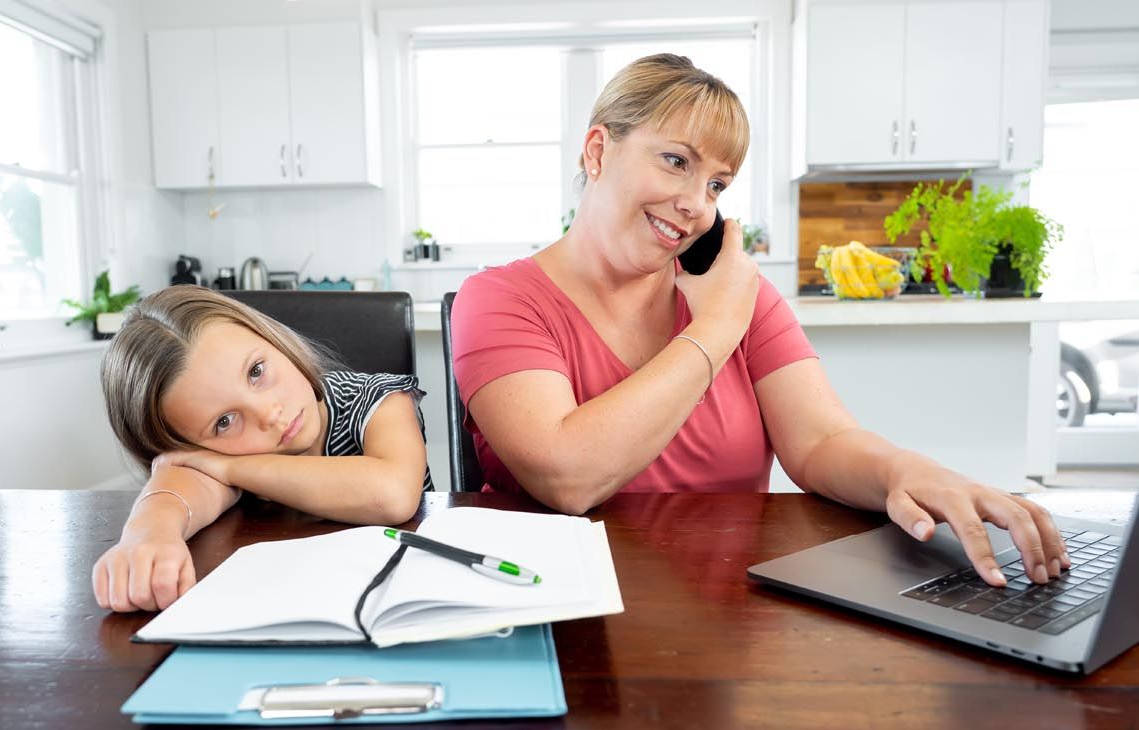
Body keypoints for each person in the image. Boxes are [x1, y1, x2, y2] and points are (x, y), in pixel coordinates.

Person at [451, 54, 1069, 589]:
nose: (696, 204)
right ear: (597, 151)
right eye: (675, 161)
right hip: (558, 607)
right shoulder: (499, 299)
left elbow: (821, 442)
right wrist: (716, 325)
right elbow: (569, 476)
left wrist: (907, 471)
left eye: (717, 184)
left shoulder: (742, 297)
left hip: (727, 609)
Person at [92, 285, 433, 612]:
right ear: (190, 446)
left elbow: (392, 494)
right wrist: (150, 533)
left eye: (256, 371)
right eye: (224, 422)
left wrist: (230, 468)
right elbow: (173, 489)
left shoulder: (378, 400)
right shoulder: (218, 459)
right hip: (291, 604)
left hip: (409, 591)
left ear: (274, 338)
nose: (270, 413)